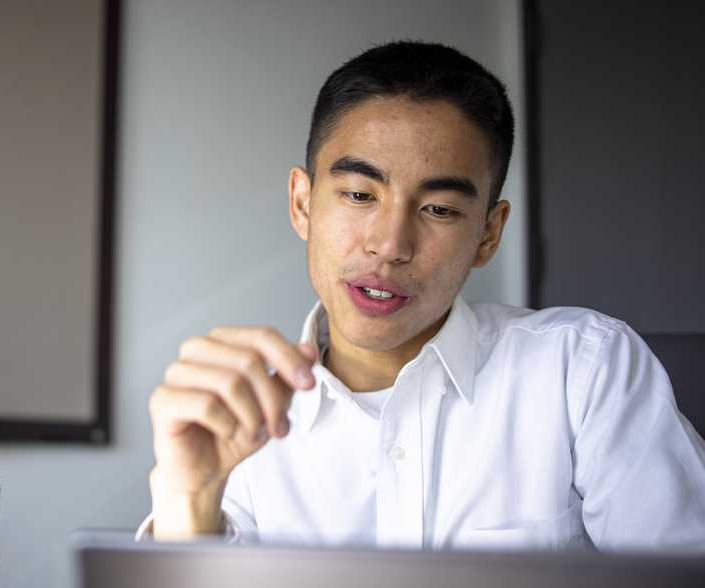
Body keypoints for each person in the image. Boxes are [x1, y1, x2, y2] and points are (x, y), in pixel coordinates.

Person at [142, 41, 705, 549]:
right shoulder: (238, 420)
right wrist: (188, 497)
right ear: (303, 203)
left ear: (488, 233)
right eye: (361, 193)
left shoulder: (580, 371)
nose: (390, 245)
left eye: (439, 209)